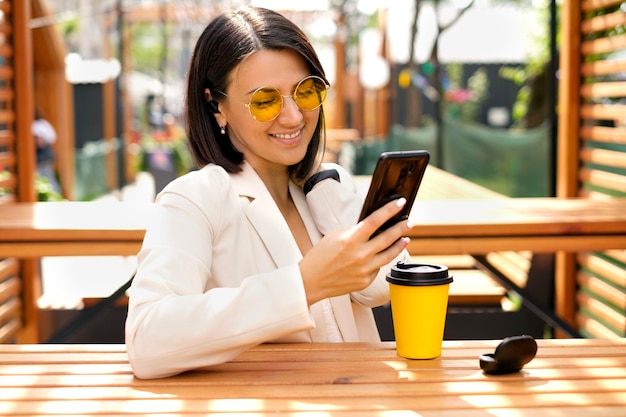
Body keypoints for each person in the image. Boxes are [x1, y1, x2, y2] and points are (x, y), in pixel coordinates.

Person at [125, 5, 412, 379]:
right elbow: (148, 340)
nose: (293, 117)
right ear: (217, 107)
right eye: (265, 101)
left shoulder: (327, 186)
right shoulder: (195, 198)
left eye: (306, 91)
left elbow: (376, 290)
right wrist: (304, 284)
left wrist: (331, 195)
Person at [32, 108, 62, 194]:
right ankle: (57, 196)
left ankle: (53, 196)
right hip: (49, 153)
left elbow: (39, 142)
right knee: (50, 177)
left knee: (44, 178)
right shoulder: (44, 123)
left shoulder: (35, 126)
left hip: (41, 156)